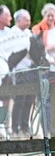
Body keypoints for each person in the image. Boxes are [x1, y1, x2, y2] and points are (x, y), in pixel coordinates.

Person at [9, 9, 36, 137]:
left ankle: (25, 127)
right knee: (19, 99)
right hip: (19, 71)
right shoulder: (12, 33)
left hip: (30, 70)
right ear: (18, 20)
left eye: (29, 20)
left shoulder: (29, 33)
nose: (29, 22)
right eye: (26, 20)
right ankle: (15, 128)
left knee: (29, 99)